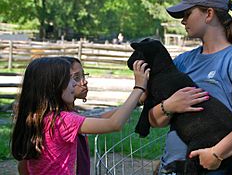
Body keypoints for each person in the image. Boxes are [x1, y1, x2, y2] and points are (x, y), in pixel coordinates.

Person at [148, 0, 232, 174]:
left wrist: (217, 154)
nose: (183, 21)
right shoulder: (183, 62)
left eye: (187, 13)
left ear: (208, 14)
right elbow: (155, 121)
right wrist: (169, 106)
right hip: (172, 169)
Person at [12, 56, 149, 175]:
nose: (75, 83)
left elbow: (23, 166)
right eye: (70, 79)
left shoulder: (34, 117)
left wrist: (136, 101)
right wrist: (139, 87)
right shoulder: (63, 120)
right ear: (52, 87)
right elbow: (114, 124)